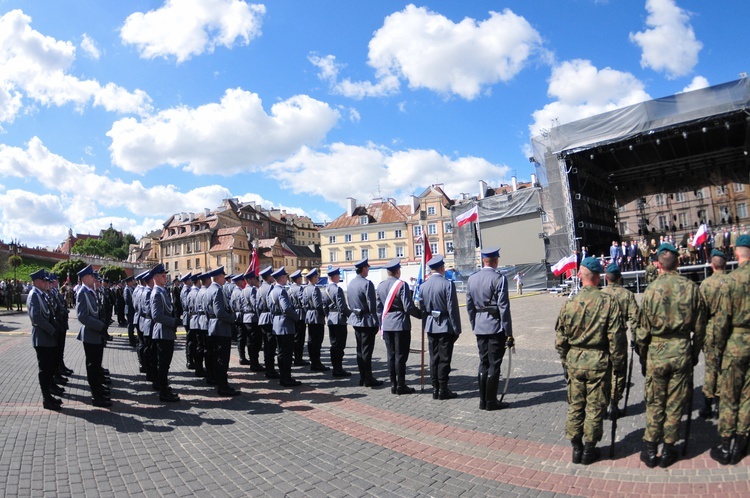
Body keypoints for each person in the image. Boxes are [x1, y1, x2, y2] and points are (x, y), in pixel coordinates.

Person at [636, 243, 706, 468]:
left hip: (657, 352)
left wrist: (643, 356)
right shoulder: (691, 288)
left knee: (656, 401)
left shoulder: (651, 290)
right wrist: (694, 355)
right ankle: (668, 449)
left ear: (657, 264)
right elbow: (701, 328)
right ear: (678, 262)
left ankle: (649, 448)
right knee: (675, 403)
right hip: (681, 351)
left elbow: (642, 332)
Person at [555, 257, 625, 464]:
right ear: (598, 277)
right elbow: (616, 338)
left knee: (576, 405)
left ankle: (576, 448)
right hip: (599, 362)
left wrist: (565, 362)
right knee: (595, 407)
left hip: (575, 360)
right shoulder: (608, 302)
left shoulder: (570, 303)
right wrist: (618, 365)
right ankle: (588, 449)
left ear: (580, 276)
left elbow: (560, 339)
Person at [711, 234, 750, 464]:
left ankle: (726, 447)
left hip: (735, 343)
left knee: (729, 395)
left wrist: (717, 353)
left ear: (736, 253)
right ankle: (742, 442)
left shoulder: (731, 281)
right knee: (747, 396)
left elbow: (721, 322)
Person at [466, 247, 514, 411]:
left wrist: (474, 324)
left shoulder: (472, 279)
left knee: (483, 362)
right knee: (494, 364)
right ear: (495, 260)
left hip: (480, 327)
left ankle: (482, 401)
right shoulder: (499, 279)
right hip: (495, 327)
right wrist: (508, 332)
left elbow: (469, 307)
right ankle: (491, 401)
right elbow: (503, 308)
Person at [419, 254, 462, 400]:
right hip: (445, 325)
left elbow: (422, 309)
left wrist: (426, 324)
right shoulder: (448, 284)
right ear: (442, 268)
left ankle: (435, 388)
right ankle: (443, 389)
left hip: (431, 325)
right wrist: (457, 329)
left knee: (434, 358)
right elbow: (453, 309)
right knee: (444, 359)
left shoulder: (423, 286)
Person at [376, 258, 420, 395]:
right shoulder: (402, 285)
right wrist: (421, 315)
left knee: (391, 355)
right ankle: (401, 385)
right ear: (397, 271)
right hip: (400, 324)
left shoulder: (381, 286)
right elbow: (408, 307)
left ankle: (393, 384)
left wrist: (381, 324)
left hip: (387, 324)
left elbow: (378, 309)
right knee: (401, 356)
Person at [601, 263, 638, 417]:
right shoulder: (627, 295)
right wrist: (635, 340)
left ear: (606, 278)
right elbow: (635, 320)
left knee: (603, 371)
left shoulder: (600, 295)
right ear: (619, 278)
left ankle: (603, 404)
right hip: (618, 339)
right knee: (618, 371)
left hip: (601, 339)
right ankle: (614, 404)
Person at [699, 249, 730, 420]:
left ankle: (707, 404)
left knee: (710, 367)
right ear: (724, 265)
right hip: (728, 330)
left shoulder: (705, 284)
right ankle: (721, 404)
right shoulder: (731, 282)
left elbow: (701, 312)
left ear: (712, 265)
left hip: (710, 330)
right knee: (725, 366)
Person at [76, 265, 111, 408]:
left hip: (95, 334)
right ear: (85, 278)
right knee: (93, 366)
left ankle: (98, 390)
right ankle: (96, 395)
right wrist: (100, 326)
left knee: (96, 365)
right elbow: (82, 316)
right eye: (91, 276)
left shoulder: (90, 292)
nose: (94, 278)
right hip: (90, 334)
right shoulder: (83, 292)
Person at [27, 269, 62, 410]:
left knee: (50, 368)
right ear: (36, 281)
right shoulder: (34, 295)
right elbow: (36, 317)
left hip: (48, 337)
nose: (45, 282)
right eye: (43, 280)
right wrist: (51, 329)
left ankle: (49, 395)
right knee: (45, 369)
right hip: (42, 338)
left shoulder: (42, 294)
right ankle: (46, 398)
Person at [204, 267, 241, 396]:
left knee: (217, 358)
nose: (225, 279)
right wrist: (232, 318)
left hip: (213, 327)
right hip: (221, 328)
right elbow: (220, 312)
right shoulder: (217, 291)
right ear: (218, 276)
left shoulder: (209, 290)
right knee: (222, 359)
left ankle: (220, 383)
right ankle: (223, 386)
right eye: (223, 276)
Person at [347, 258, 383, 387]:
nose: (368, 270)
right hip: (367, 321)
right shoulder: (367, 283)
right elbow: (372, 305)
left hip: (356, 320)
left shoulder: (351, 283)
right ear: (364, 269)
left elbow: (349, 301)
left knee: (360, 350)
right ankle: (368, 378)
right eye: (367, 268)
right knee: (367, 351)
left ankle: (362, 377)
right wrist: (376, 321)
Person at [150, 264, 180, 402]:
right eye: (162, 275)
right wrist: (173, 322)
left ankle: (164, 387)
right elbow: (156, 315)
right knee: (163, 364)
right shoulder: (157, 293)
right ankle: (163, 391)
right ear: (156, 277)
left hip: (166, 332)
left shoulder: (162, 291)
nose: (165, 277)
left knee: (165, 363)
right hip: (162, 332)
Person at [268, 267, 302, 387]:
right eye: (285, 277)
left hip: (277, 323)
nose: (286, 279)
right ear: (282, 278)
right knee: (287, 353)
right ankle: (286, 378)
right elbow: (286, 308)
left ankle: (283, 376)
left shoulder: (272, 291)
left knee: (281, 353)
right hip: (285, 324)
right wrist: (296, 317)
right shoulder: (281, 291)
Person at [323, 267, 351, 377]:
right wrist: (351, 316)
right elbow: (342, 307)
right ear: (334, 277)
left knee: (333, 345)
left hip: (331, 319)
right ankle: (338, 369)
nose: (339, 277)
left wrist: (328, 316)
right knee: (340, 345)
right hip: (339, 320)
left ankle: (335, 367)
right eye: (338, 275)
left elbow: (324, 307)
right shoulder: (337, 289)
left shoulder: (325, 290)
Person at [303, 268, 329, 372]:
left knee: (311, 340)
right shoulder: (315, 289)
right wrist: (324, 314)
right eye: (317, 277)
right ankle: (316, 363)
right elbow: (318, 305)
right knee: (317, 341)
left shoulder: (305, 289)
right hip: (317, 317)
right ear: (313, 278)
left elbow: (304, 304)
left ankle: (314, 361)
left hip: (309, 315)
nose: (317, 278)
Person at [241, 271, 264, 371]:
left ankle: (253, 361)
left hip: (246, 317)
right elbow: (256, 305)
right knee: (256, 342)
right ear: (249, 280)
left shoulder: (243, 290)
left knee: (250, 341)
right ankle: (255, 363)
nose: (255, 280)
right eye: (254, 278)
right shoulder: (253, 290)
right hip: (253, 318)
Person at [288, 270, 309, 367]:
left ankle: (294, 356)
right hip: (300, 314)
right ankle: (298, 358)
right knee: (300, 338)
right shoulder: (299, 289)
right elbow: (303, 302)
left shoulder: (289, 289)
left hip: (293, 314)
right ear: (298, 279)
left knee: (294, 337)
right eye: (300, 278)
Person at [179, 273, 194, 368]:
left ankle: (191, 359)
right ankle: (189, 361)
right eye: (190, 279)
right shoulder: (185, 290)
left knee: (192, 340)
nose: (191, 281)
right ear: (187, 280)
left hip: (189, 316)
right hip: (188, 317)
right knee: (190, 340)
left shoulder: (188, 289)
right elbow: (185, 304)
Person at [123, 276, 137, 348]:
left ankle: (133, 337)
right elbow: (127, 300)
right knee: (130, 325)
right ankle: (131, 341)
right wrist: (133, 304)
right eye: (132, 281)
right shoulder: (127, 289)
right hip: (129, 310)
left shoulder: (132, 288)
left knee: (132, 325)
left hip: (132, 310)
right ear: (128, 282)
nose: (133, 282)